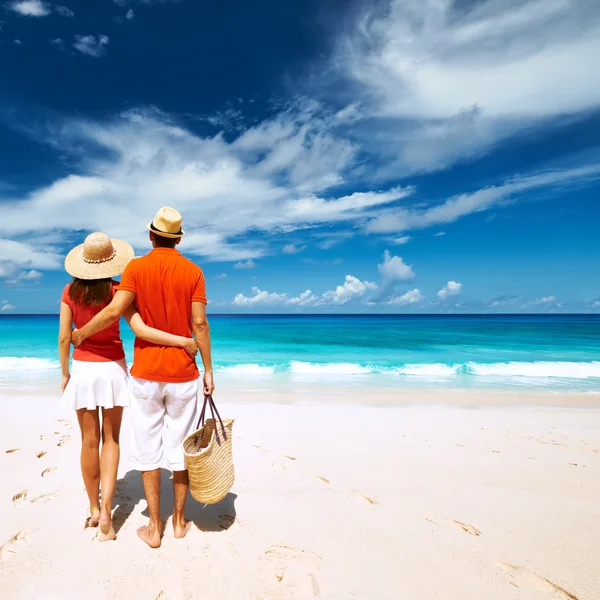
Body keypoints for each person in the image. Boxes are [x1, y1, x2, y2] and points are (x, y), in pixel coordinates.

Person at [72, 207, 214, 548]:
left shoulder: (135, 268)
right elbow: (199, 325)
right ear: (178, 238)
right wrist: (209, 368)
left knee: (149, 449)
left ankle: (154, 528)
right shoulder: (194, 271)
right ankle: (179, 521)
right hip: (183, 372)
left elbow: (114, 311)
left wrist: (82, 334)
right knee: (182, 446)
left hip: (147, 373)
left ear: (151, 235)